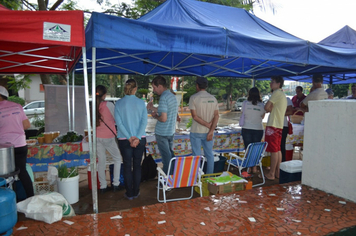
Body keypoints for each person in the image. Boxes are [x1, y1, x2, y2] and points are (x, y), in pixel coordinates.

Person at [115, 79, 147, 200]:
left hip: (124, 139)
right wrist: (137, 137)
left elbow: (119, 123)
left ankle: (129, 193)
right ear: (135, 89)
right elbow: (144, 122)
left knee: (127, 165)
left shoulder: (118, 103)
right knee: (137, 165)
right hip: (140, 139)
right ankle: (136, 191)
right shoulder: (141, 103)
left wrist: (129, 138)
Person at [0, 86, 34, 199]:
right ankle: (31, 198)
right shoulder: (17, 106)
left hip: (4, 148)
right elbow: (27, 125)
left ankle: (13, 201)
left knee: (8, 175)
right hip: (20, 145)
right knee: (22, 172)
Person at [147, 75, 178, 175]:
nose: (154, 90)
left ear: (160, 86)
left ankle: (166, 180)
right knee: (170, 154)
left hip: (162, 132)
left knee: (166, 157)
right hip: (170, 131)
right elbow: (166, 111)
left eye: (154, 88)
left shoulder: (164, 97)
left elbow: (163, 118)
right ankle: (172, 176)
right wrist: (153, 109)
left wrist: (155, 116)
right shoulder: (172, 96)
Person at [94, 85, 123, 193]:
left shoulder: (93, 106)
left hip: (97, 137)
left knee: (101, 162)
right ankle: (116, 184)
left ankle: (103, 186)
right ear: (104, 95)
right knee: (117, 159)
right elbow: (117, 118)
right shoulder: (109, 105)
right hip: (108, 137)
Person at [189, 77, 219, 174]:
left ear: (197, 86)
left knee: (196, 156)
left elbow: (194, 116)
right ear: (206, 86)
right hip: (208, 133)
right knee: (209, 154)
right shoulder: (213, 98)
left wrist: (207, 125)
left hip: (196, 131)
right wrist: (211, 130)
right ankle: (209, 176)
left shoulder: (193, 98)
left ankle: (197, 177)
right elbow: (217, 116)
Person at [263, 76, 287, 180]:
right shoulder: (282, 94)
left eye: (272, 82)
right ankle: (277, 172)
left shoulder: (276, 93)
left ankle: (272, 173)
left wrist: (269, 108)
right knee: (277, 149)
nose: (270, 84)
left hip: (273, 124)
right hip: (279, 124)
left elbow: (266, 107)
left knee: (274, 150)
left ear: (278, 84)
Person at [240, 87, 265, 173]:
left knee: (248, 149)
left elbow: (242, 113)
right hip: (258, 129)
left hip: (246, 128)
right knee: (255, 149)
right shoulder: (262, 105)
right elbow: (262, 116)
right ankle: (254, 168)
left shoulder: (245, 103)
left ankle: (248, 168)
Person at [281, 97, 293, 162]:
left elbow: (290, 111)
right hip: (274, 125)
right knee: (275, 147)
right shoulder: (272, 99)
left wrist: (279, 114)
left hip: (283, 125)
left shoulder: (287, 99)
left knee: (282, 145)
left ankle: (282, 162)